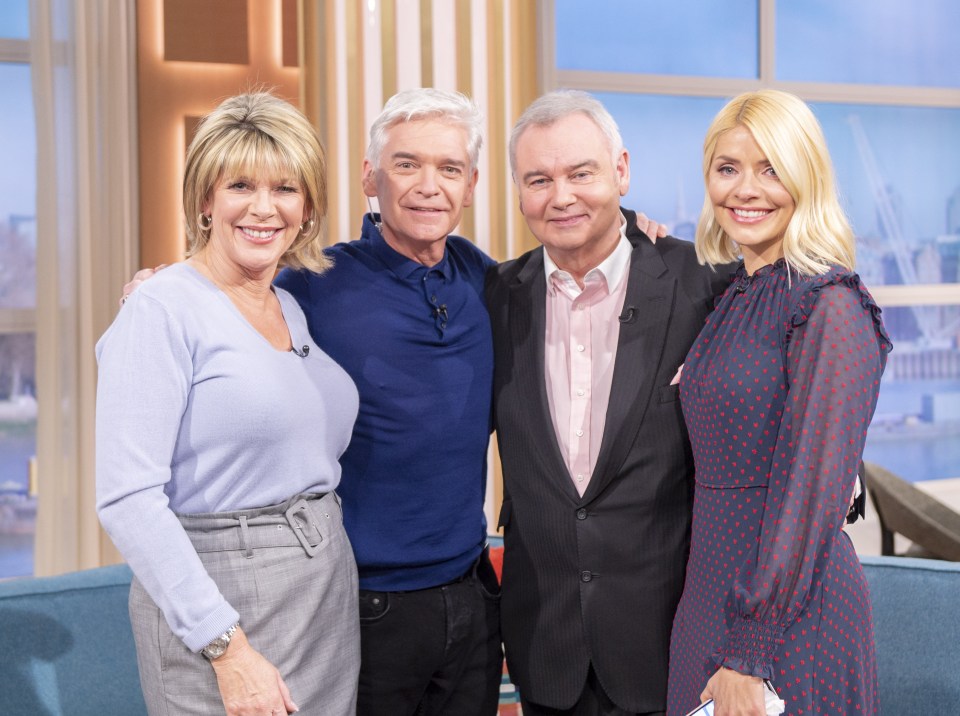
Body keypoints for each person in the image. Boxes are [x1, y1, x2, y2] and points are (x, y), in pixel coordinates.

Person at [96, 93, 361, 715]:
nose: (265, 208)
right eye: (241, 184)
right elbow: (127, 498)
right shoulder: (160, 308)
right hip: (221, 599)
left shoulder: (290, 306)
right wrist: (227, 649)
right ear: (205, 200)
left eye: (287, 189)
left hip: (321, 590)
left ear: (308, 207)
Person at [486, 90, 734, 715]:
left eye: (581, 173)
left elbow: (783, 374)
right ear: (518, 191)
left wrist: (840, 470)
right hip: (546, 646)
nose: (560, 196)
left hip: (669, 647)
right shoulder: (492, 296)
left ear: (621, 171)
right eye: (538, 179)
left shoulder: (699, 281)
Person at [273, 88, 505, 715]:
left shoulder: (491, 282)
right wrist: (161, 284)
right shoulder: (310, 283)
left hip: (473, 597)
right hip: (364, 605)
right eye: (407, 164)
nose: (428, 185)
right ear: (371, 178)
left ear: (471, 184)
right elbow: (221, 303)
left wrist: (638, 235)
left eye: (449, 168)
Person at [665, 89, 891, 716]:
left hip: (787, 621)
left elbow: (813, 490)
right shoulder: (738, 293)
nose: (746, 189)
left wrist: (752, 649)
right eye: (728, 168)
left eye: (771, 169)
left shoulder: (830, 305)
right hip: (708, 599)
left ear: (806, 177)